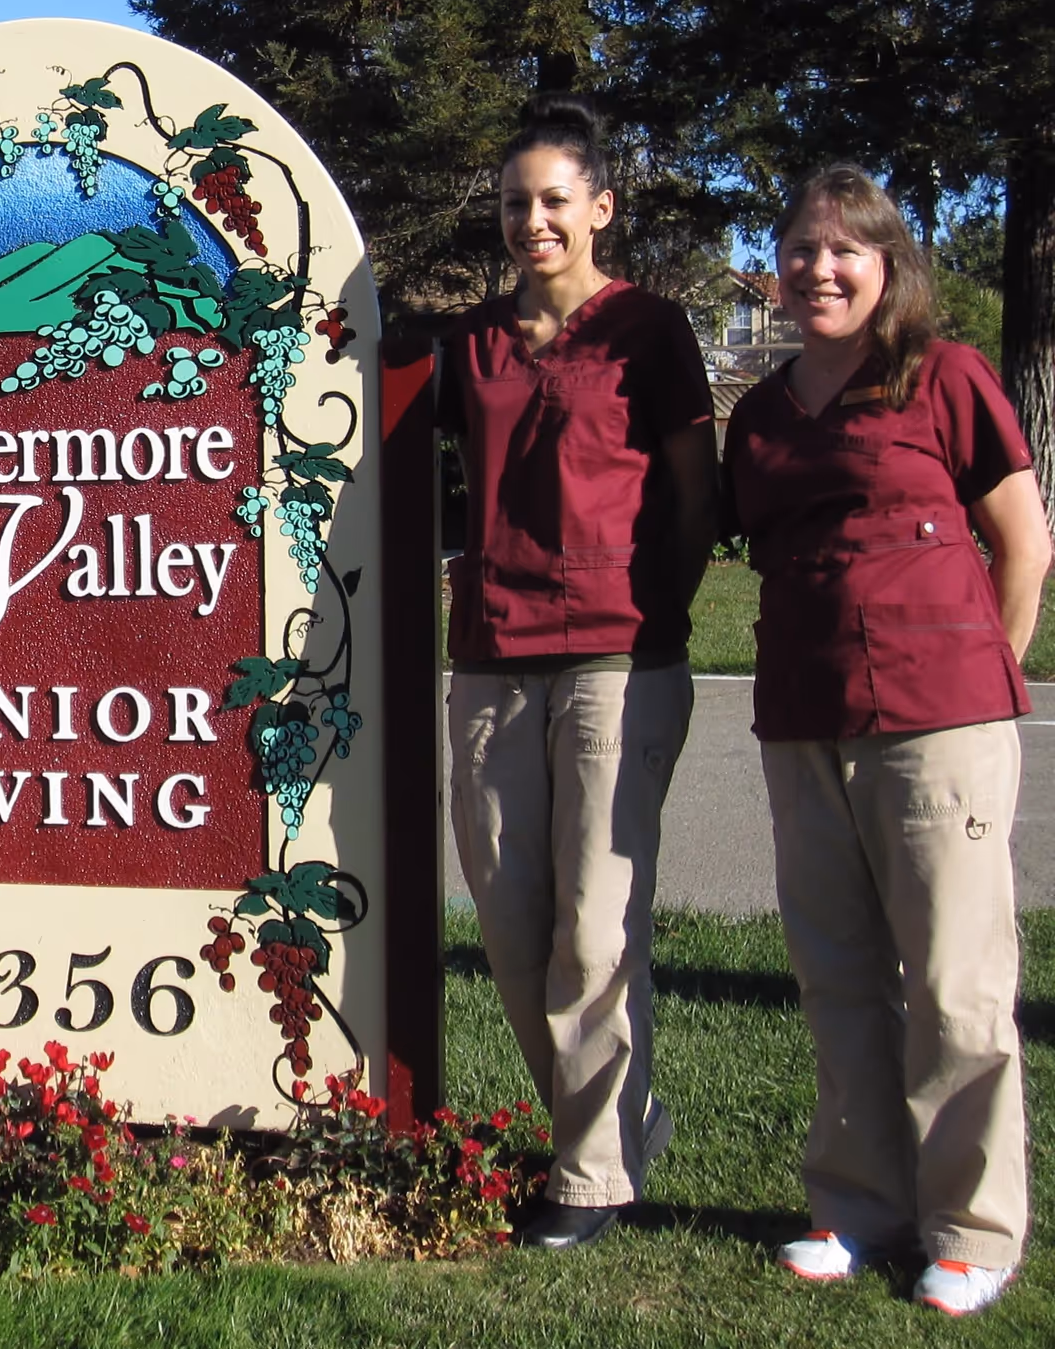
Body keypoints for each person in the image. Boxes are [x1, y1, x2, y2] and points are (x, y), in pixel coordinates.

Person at [723, 164, 1046, 1317]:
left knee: (957, 981)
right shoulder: (759, 418)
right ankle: (859, 1203)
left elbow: (1025, 541)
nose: (819, 268)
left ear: (886, 265)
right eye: (801, 248)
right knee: (839, 974)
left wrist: (983, 683)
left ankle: (975, 1226)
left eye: (844, 250)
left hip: (936, 720)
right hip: (802, 717)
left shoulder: (942, 376)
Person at [438, 92, 718, 1249]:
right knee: (511, 922)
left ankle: (594, 1173)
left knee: (595, 928)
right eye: (516, 204)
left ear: (601, 207)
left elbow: (698, 492)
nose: (533, 221)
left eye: (556, 200)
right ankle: (618, 1116)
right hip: (492, 656)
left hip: (617, 653)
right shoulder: (468, 345)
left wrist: (660, 611)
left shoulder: (650, 329)